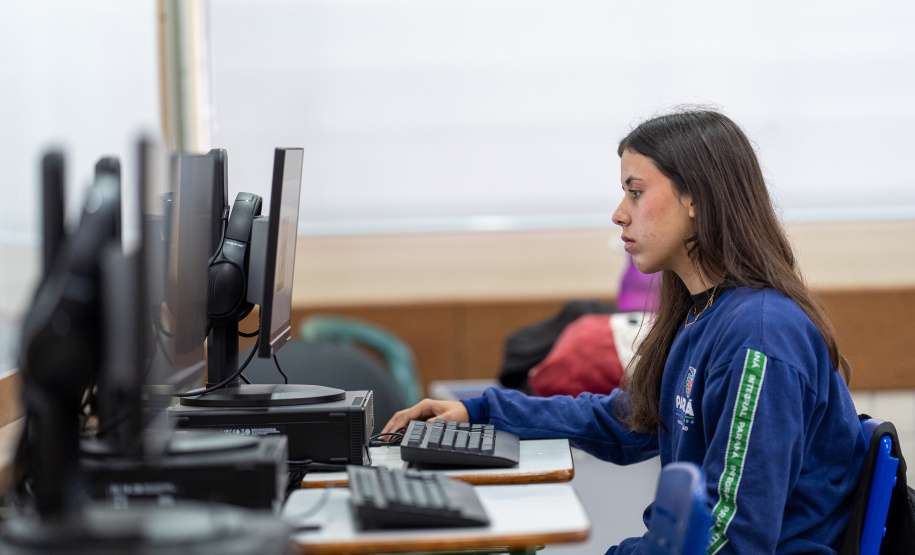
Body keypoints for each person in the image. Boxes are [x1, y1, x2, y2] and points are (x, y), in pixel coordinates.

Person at [383, 108, 866, 554]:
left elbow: (730, 538)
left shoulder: (759, 338)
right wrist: (480, 410)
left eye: (635, 192)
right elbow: (625, 420)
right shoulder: (704, 315)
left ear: (695, 198)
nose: (619, 212)